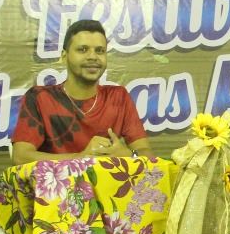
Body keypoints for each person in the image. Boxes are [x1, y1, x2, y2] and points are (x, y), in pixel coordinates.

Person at [11, 19, 152, 165]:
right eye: (83, 49)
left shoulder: (118, 97)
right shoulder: (40, 98)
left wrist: (129, 155)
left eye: (100, 51)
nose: (93, 57)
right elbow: (21, 157)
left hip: (106, 180)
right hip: (58, 180)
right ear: (64, 56)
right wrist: (82, 158)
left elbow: (147, 154)